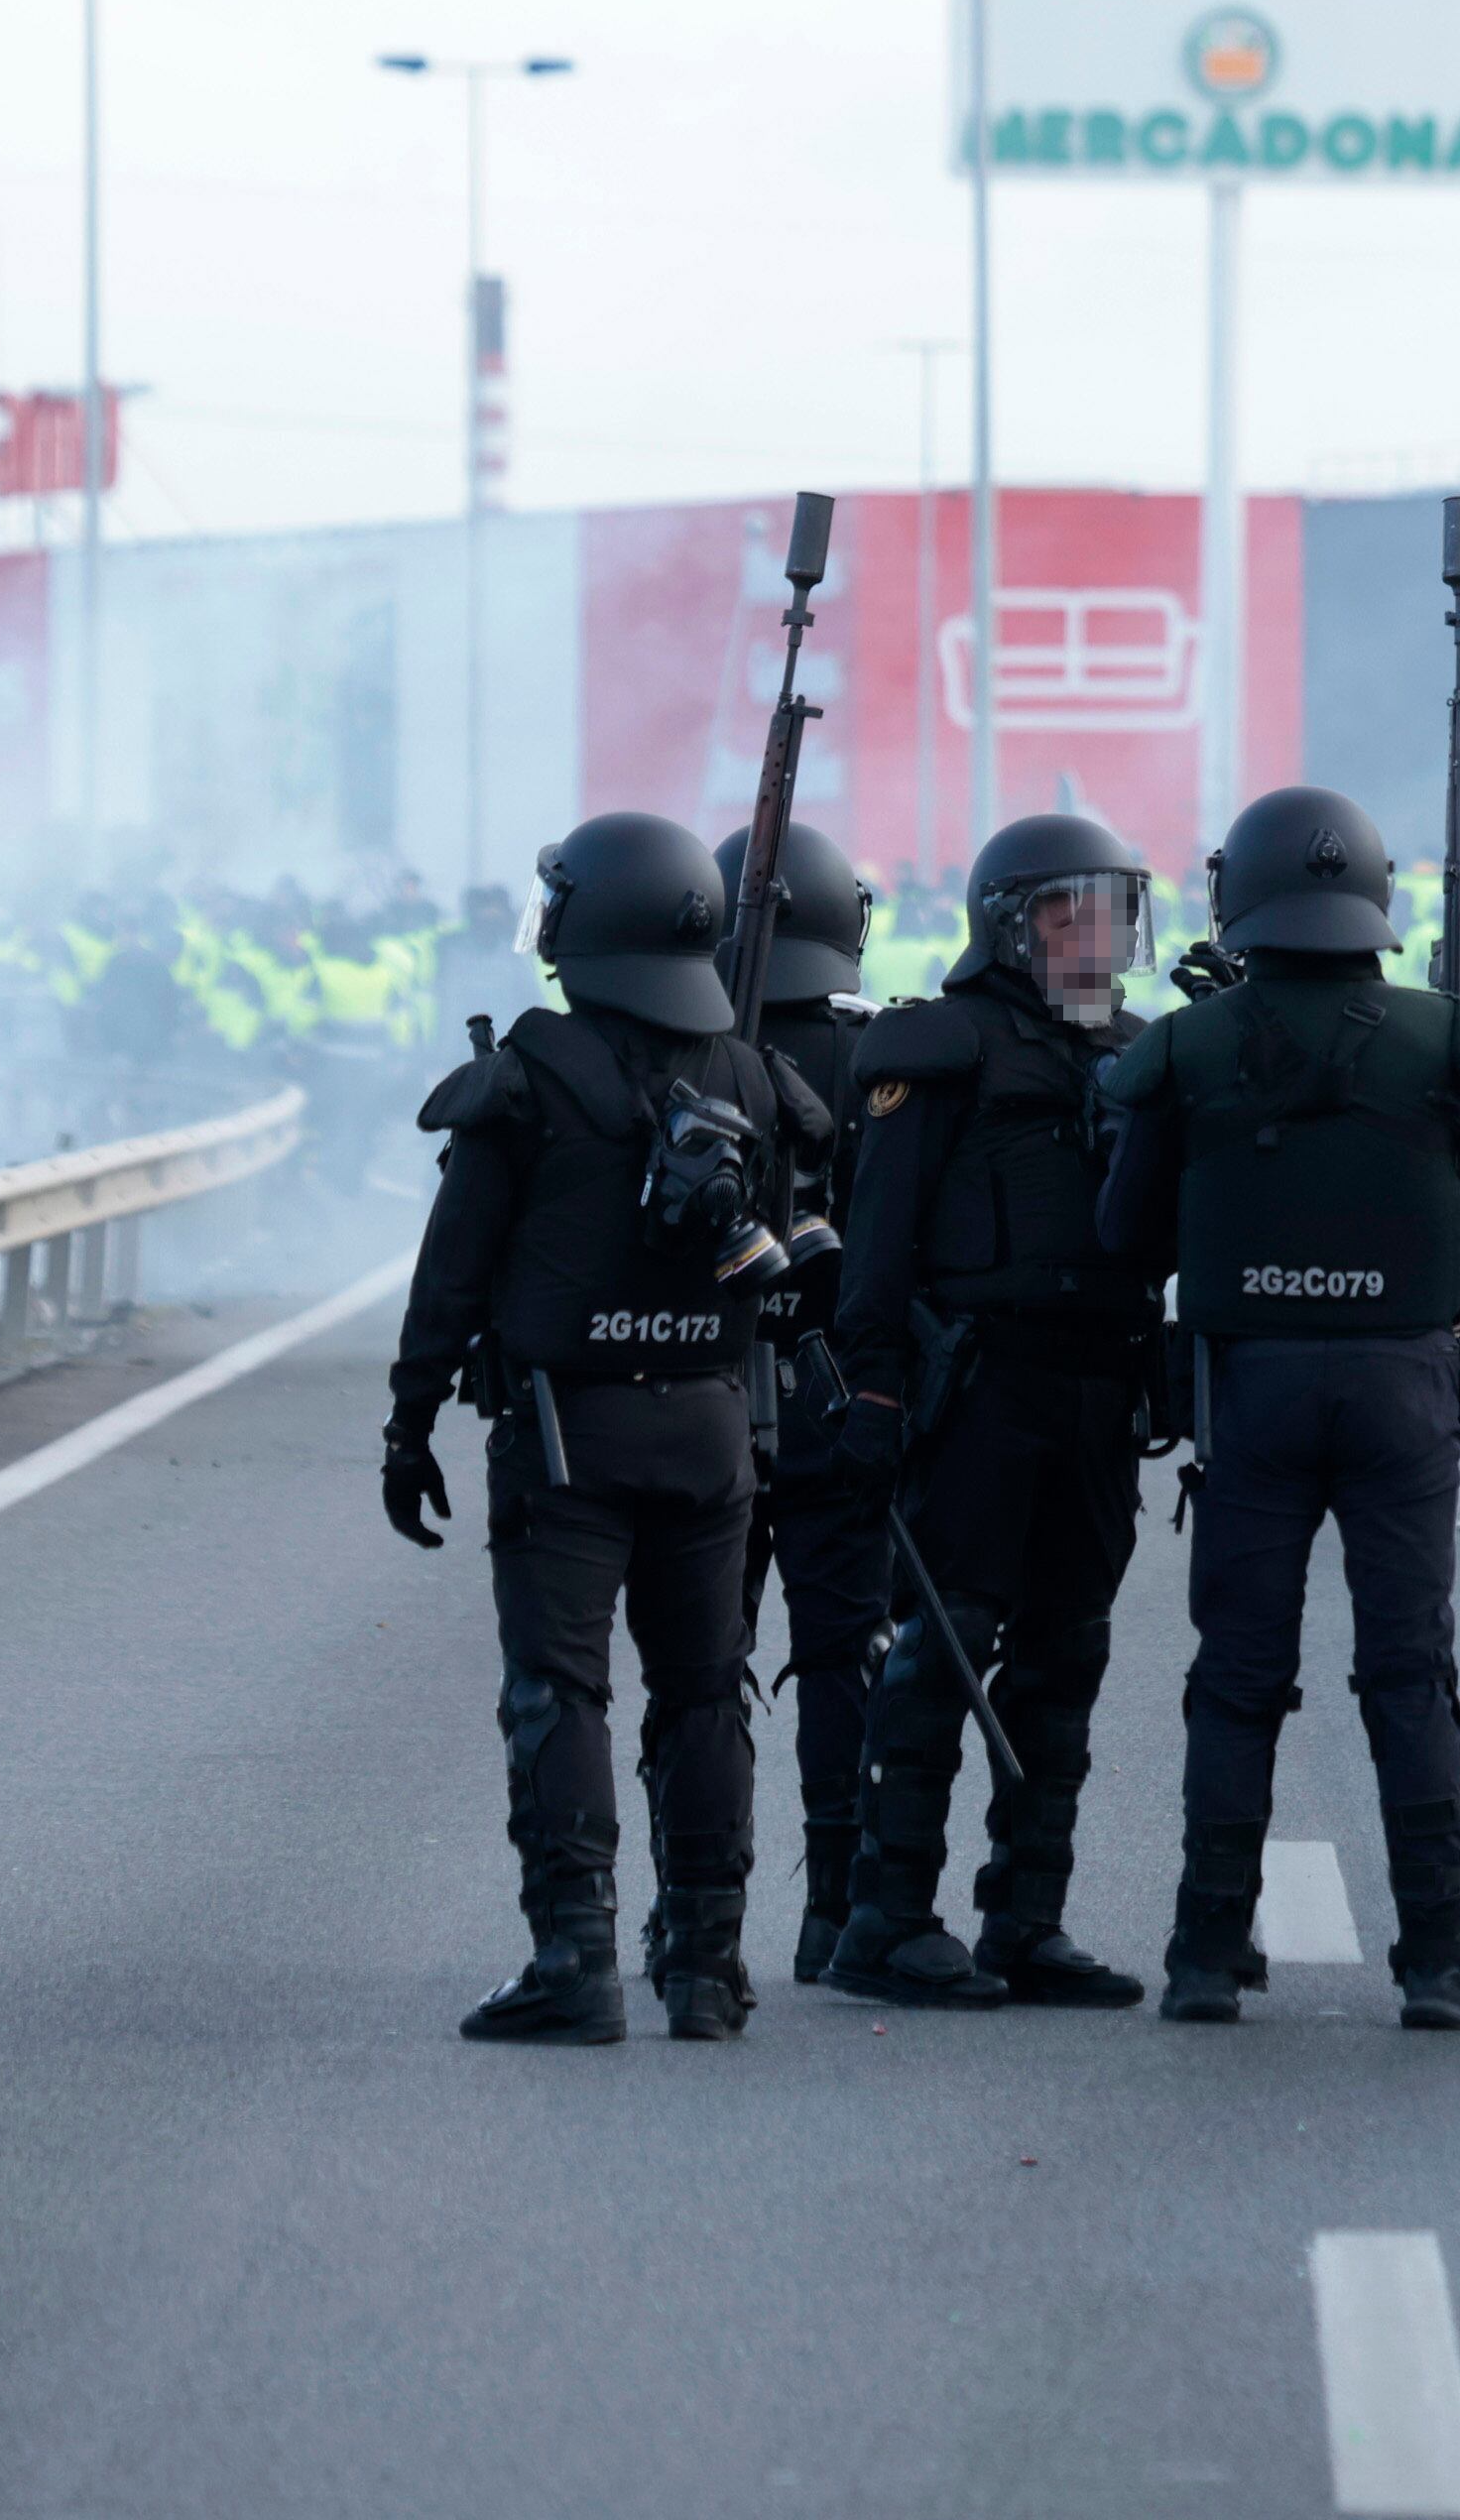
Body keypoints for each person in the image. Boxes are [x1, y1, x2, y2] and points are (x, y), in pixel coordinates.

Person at [1095, 787, 1460, 2028]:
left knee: (1238, 1676)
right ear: (1377, 901)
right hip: (1403, 1386)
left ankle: (1202, 1954)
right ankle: (1440, 1964)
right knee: (1409, 1674)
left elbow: (1122, 1234)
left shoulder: (1184, 1047)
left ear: (1238, 900)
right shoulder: (1452, 1038)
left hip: (1255, 1388)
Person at [380, 814, 827, 2045]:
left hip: (565, 1440)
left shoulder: (527, 1077)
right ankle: (705, 1966)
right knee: (704, 1692)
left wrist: (407, 1423)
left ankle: (575, 1959)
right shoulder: (750, 1076)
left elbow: (452, 1276)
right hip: (708, 1431)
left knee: (560, 1691)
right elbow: (778, 1267)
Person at [821, 813, 1169, 2010]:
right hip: (981, 1389)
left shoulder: (1139, 1051)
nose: (1098, 937)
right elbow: (877, 1242)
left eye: (1112, 913)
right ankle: (887, 1919)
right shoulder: (944, 1047)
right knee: (944, 1649)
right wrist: (870, 1385)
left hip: (1099, 1392)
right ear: (1011, 925)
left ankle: (1027, 1921)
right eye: (1072, 913)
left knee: (1067, 1655)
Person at [710, 818, 885, 1985]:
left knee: (699, 1664)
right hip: (836, 1401)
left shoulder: (673, 1053)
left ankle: (695, 1917)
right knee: (842, 1655)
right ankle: (838, 1909)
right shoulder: (882, 1061)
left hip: (704, 1393)